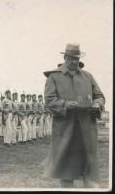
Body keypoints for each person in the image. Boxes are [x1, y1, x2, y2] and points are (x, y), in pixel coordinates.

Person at [43, 43, 105, 188]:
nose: (74, 62)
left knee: (89, 171)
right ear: (65, 57)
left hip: (87, 130)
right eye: (71, 58)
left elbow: (99, 96)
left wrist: (97, 104)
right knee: (66, 172)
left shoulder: (88, 76)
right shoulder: (54, 77)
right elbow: (49, 101)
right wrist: (65, 105)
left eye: (76, 58)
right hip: (65, 131)